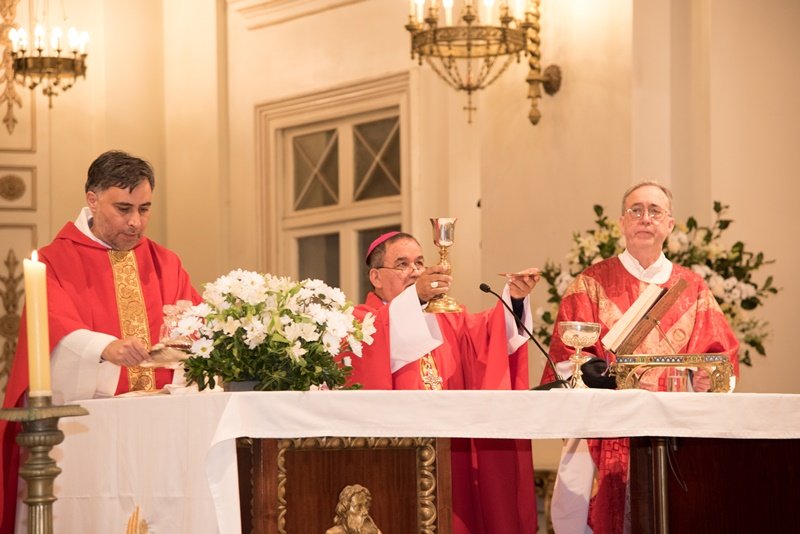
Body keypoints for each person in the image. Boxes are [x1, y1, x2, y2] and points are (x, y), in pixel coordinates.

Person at [0, 150, 201, 532]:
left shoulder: (166, 262)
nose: (135, 222)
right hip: (90, 434)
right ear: (92, 199)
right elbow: (53, 326)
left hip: (162, 431)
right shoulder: (53, 261)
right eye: (123, 208)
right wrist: (103, 349)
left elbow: (196, 327)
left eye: (144, 209)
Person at [541, 182, 739, 534]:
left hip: (676, 434)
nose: (645, 218)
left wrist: (706, 376)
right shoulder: (590, 284)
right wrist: (595, 372)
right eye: (636, 210)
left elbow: (720, 357)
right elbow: (567, 356)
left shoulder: (693, 288)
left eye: (655, 211)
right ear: (621, 222)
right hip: (605, 430)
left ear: (669, 224)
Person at [349, 231, 540, 534]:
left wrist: (514, 300)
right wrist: (416, 297)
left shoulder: (449, 317)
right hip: (398, 458)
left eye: (419, 263)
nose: (414, 271)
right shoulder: (361, 323)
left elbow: (490, 337)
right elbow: (382, 338)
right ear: (376, 276)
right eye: (402, 264)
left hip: (451, 453)